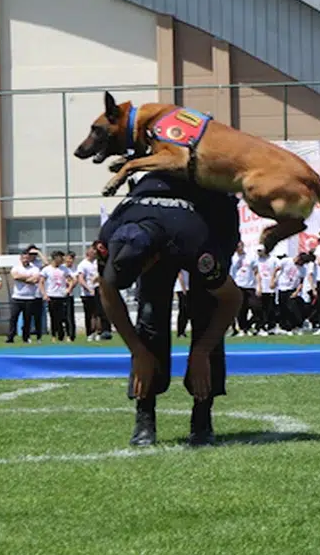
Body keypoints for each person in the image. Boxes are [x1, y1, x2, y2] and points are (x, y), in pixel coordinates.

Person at [96, 172, 242, 447]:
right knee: (149, 316)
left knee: (206, 310)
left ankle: (202, 415)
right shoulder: (111, 232)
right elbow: (108, 291)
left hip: (212, 212)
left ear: (155, 257)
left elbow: (231, 299)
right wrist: (137, 351)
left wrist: (201, 351)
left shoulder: (197, 243)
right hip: (158, 204)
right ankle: (144, 415)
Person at [6, 251, 44, 344]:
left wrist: (23, 278)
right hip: (17, 297)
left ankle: (26, 338)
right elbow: (15, 277)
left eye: (27, 258)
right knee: (13, 318)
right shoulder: (16, 267)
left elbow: (36, 279)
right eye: (24, 258)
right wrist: (29, 278)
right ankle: (10, 337)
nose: (25, 260)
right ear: (20, 259)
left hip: (30, 298)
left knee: (27, 319)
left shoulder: (34, 268)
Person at [43, 251, 74, 342]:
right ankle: (54, 335)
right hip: (52, 296)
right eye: (61, 257)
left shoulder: (64, 269)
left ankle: (66, 335)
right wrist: (44, 294)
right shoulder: (47, 269)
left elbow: (71, 280)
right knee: (54, 317)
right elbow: (41, 281)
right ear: (55, 258)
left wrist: (69, 289)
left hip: (62, 296)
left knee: (64, 317)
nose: (62, 259)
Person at [229, 242, 257, 336]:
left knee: (256, 307)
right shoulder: (233, 258)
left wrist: (258, 284)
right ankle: (243, 328)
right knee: (241, 309)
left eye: (239, 246)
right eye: (236, 247)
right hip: (238, 285)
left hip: (250, 286)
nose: (238, 248)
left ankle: (249, 325)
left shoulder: (250, 256)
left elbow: (256, 270)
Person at [254, 245, 280, 334]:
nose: (259, 253)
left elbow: (279, 270)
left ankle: (271, 327)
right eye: (258, 251)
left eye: (260, 251)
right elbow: (255, 273)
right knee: (260, 308)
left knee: (271, 308)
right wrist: (258, 286)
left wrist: (275, 281)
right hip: (260, 288)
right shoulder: (256, 260)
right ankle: (260, 327)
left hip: (270, 288)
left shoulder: (273, 259)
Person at [173, 269, 191, 338]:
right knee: (183, 310)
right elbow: (180, 275)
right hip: (181, 289)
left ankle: (182, 331)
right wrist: (184, 289)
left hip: (187, 288)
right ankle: (180, 332)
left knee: (186, 310)